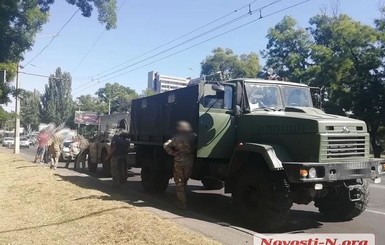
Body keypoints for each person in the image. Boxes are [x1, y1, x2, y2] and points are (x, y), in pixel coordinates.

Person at [163, 121, 197, 209]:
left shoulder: (176, 138)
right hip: (189, 160)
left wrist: (173, 153)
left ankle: (181, 202)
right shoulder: (193, 137)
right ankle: (183, 198)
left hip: (179, 160)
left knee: (179, 182)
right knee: (185, 180)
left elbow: (166, 145)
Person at [107, 119, 130, 187]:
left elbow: (114, 147)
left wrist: (108, 156)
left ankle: (116, 183)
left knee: (115, 169)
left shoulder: (117, 135)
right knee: (124, 168)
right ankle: (123, 181)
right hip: (124, 154)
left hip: (116, 155)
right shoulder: (127, 135)